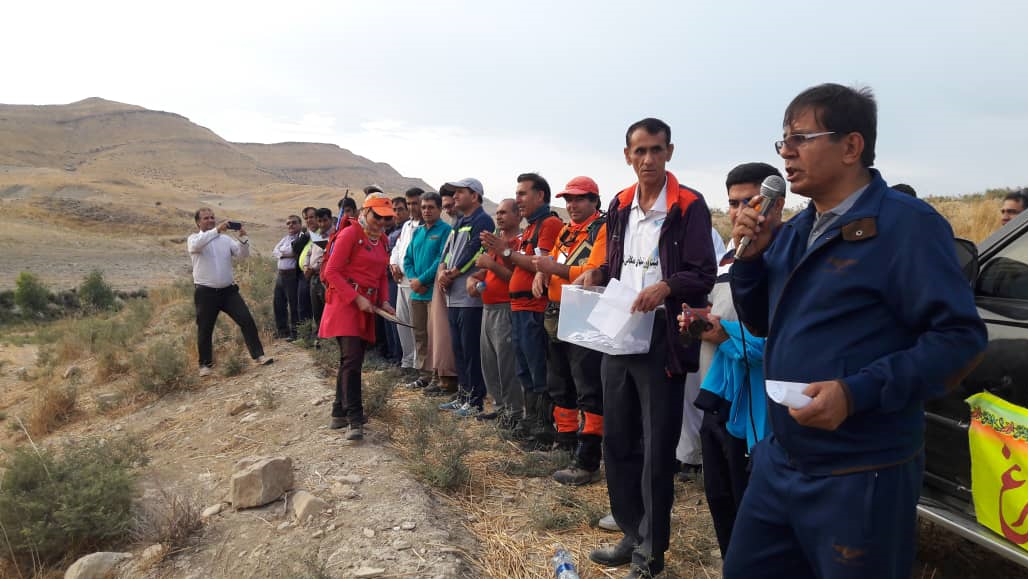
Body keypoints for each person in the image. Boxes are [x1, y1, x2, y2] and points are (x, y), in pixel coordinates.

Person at [725, 83, 987, 579]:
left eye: (801, 138)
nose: (786, 152)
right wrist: (751, 263)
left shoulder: (906, 227)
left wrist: (855, 393)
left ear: (851, 146)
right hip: (781, 460)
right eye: (783, 140)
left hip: (861, 471)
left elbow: (960, 340)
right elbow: (762, 323)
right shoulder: (796, 232)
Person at [580, 118, 716, 578]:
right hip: (619, 329)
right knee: (617, 438)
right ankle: (630, 531)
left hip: (663, 337)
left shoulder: (689, 205)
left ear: (669, 152)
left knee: (657, 446)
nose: (648, 159)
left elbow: (703, 272)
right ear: (627, 156)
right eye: (639, 151)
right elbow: (615, 263)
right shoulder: (620, 204)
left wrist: (666, 287)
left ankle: (651, 552)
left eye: (657, 150)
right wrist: (598, 273)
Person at [679, 162, 779, 557]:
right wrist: (697, 320)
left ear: (774, 204)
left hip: (757, 413)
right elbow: (720, 314)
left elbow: (776, 341)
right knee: (720, 500)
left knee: (751, 509)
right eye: (733, 203)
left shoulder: (783, 261)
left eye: (749, 202)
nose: (740, 212)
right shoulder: (728, 258)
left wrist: (726, 336)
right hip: (717, 397)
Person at [532, 176, 607, 485]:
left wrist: (552, 270)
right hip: (556, 312)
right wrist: (543, 274)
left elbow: (593, 272)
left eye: (579, 199)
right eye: (568, 199)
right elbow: (555, 260)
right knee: (559, 382)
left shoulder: (601, 229)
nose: (572, 205)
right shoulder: (567, 230)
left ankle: (588, 458)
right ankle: (564, 442)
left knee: (588, 387)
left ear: (594, 201)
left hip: (584, 313)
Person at [482, 173, 564, 449]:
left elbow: (541, 264)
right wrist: (503, 252)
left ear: (540, 195)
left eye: (522, 194)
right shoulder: (531, 228)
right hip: (519, 307)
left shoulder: (549, 224)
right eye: (516, 194)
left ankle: (543, 431)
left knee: (539, 370)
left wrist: (505, 252)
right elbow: (518, 264)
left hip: (534, 308)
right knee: (524, 369)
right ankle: (530, 423)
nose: (518, 199)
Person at [319, 193, 398, 440]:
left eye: (386, 218)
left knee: (351, 360)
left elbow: (381, 275)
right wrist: (356, 298)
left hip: (368, 306)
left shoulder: (382, 240)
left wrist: (384, 301)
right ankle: (355, 418)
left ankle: (338, 412)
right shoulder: (350, 234)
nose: (381, 222)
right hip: (345, 304)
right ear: (365, 212)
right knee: (352, 360)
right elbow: (332, 272)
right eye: (377, 216)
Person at [187, 208, 273, 376]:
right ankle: (205, 365)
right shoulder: (194, 239)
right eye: (206, 218)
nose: (210, 220)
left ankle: (259, 355)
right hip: (206, 292)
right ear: (198, 222)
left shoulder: (225, 240)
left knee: (246, 320)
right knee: (205, 328)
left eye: (212, 217)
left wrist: (243, 239)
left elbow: (242, 256)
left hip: (228, 292)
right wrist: (216, 230)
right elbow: (195, 247)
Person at [437, 178, 495, 417]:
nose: (455, 196)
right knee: (459, 349)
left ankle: (475, 400)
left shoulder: (483, 220)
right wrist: (443, 270)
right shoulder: (459, 221)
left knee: (471, 351)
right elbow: (448, 250)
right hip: (454, 296)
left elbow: (476, 250)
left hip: (470, 299)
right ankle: (463, 395)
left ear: (475, 195)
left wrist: (454, 272)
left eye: (460, 192)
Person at [468, 198, 523, 426]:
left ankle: (514, 412)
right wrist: (472, 281)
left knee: (507, 365)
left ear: (518, 215)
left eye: (504, 212)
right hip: (488, 308)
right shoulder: (494, 244)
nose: (498, 216)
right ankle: (500, 408)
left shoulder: (518, 244)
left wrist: (491, 265)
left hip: (506, 308)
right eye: (497, 213)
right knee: (490, 364)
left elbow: (517, 279)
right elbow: (480, 272)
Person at [403, 193, 451, 390]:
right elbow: (407, 259)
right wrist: (413, 279)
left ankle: (438, 377)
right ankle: (424, 375)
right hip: (416, 292)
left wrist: (422, 280)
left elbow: (441, 259)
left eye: (431, 207)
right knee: (420, 335)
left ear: (439, 209)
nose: (426, 211)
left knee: (436, 337)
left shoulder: (446, 230)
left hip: (434, 293)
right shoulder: (418, 232)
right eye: (423, 207)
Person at [391, 188, 424, 379]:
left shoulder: (426, 226)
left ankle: (419, 366)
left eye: (415, 203)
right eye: (409, 203)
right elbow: (397, 248)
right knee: (402, 323)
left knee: (416, 326)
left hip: (416, 282)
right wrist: (393, 264)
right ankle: (407, 361)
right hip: (400, 281)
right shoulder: (407, 225)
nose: (412, 207)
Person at [272, 214, 303, 340]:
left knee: (294, 304)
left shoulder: (301, 238)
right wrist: (284, 253)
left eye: (294, 222)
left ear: (300, 224)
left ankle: (296, 333)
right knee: (278, 303)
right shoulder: (285, 238)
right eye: (288, 223)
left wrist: (283, 252)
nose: (291, 225)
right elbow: (275, 251)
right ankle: (282, 331)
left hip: (292, 275)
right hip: (281, 275)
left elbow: (291, 250)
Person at [305, 208, 334, 337]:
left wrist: (314, 268)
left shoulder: (334, 236)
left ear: (330, 219)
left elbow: (328, 257)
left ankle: (329, 338)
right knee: (316, 310)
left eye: (325, 220)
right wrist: (306, 267)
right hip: (313, 277)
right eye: (319, 221)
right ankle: (320, 337)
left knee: (327, 309)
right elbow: (309, 252)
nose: (322, 224)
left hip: (325, 279)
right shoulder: (317, 236)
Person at [295, 206, 318, 326]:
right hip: (303, 275)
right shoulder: (307, 234)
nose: (309, 220)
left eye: (311, 217)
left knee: (316, 309)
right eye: (306, 218)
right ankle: (305, 334)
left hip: (315, 275)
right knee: (303, 308)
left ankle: (318, 335)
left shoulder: (322, 233)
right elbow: (295, 247)